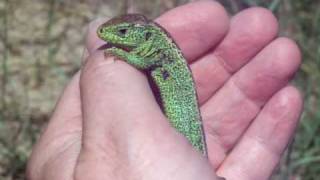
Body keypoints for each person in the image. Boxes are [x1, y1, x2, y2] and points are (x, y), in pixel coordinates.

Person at [26, 1, 303, 180]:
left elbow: (145, 60)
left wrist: (124, 59)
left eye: (122, 34)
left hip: (189, 137)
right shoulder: (153, 48)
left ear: (145, 36)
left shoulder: (154, 53)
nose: (109, 37)